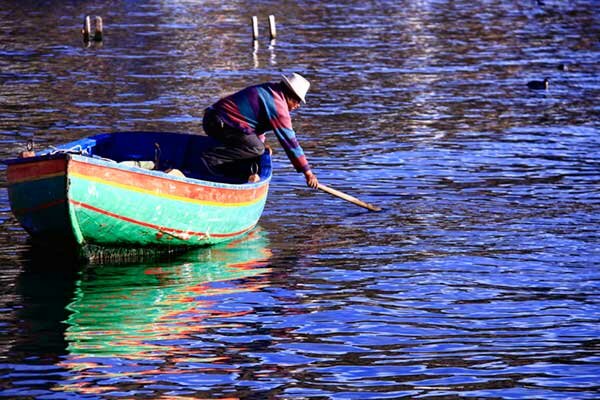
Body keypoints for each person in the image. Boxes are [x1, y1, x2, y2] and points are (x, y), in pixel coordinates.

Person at [201, 72, 319, 188]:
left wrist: (260, 144)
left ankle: (232, 174)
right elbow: (290, 143)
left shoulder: (270, 90)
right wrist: (307, 172)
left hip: (218, 120)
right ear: (290, 94)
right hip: (218, 122)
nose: (298, 105)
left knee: (257, 150)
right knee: (256, 148)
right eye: (297, 100)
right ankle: (211, 159)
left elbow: (255, 124)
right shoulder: (278, 106)